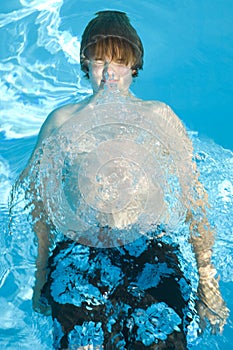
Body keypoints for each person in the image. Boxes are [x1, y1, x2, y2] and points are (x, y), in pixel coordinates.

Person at [14, 10, 228, 349]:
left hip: (149, 248)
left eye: (119, 62)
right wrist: (41, 274)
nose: (109, 73)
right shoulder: (61, 121)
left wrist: (208, 283)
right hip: (80, 251)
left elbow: (194, 199)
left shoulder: (158, 116)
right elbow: (39, 203)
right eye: (99, 62)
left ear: (134, 67)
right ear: (86, 65)